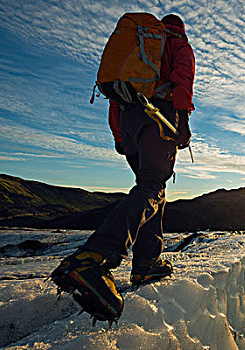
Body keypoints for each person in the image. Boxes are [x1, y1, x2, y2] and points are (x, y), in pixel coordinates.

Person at [51, 14, 195, 323]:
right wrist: (182, 121)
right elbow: (183, 78)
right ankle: (93, 258)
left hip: (129, 121)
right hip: (158, 116)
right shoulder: (177, 44)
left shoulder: (137, 54)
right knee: (153, 188)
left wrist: (120, 136)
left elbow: (116, 100)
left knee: (149, 188)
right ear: (180, 29)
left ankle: (146, 264)